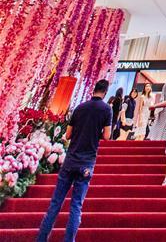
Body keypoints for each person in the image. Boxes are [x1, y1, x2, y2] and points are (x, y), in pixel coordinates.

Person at [36, 78, 112, 242]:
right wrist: (95, 132)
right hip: (87, 162)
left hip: (71, 159)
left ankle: (41, 239)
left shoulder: (80, 107)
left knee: (55, 203)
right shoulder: (106, 109)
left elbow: (68, 134)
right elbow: (107, 136)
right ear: (105, 92)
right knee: (76, 205)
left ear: (93, 89)